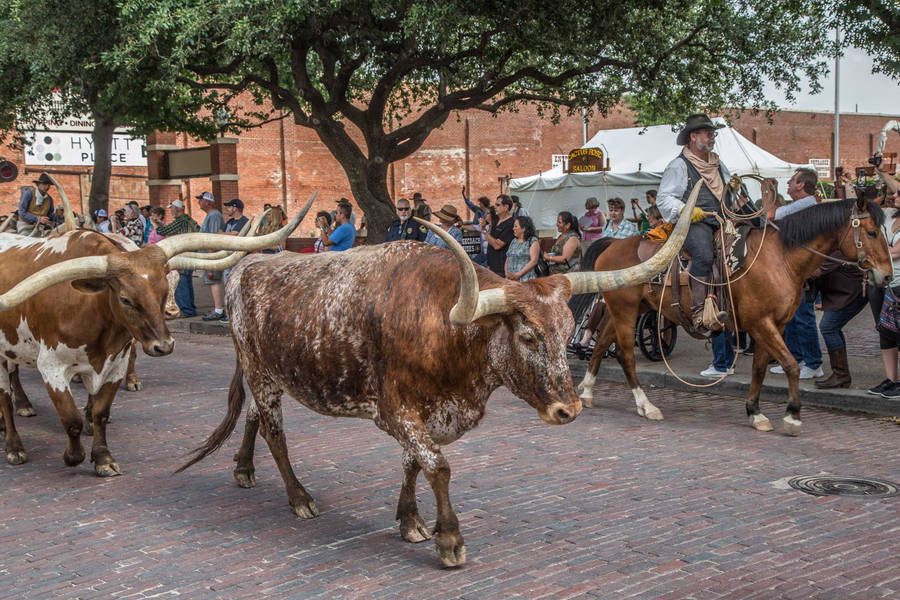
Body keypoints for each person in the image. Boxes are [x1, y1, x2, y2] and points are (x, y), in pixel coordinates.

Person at [656, 114, 736, 334]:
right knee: (703, 254)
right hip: (695, 222)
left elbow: (727, 192)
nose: (712, 137)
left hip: (723, 220)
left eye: (713, 134)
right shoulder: (678, 165)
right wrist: (687, 210)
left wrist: (735, 192)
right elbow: (664, 198)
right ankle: (700, 312)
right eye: (708, 134)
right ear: (693, 137)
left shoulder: (718, 163)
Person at [767, 169, 825, 380]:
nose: (789, 184)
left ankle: (813, 363)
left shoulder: (806, 203)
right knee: (791, 317)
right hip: (793, 269)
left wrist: (769, 192)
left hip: (801, 270)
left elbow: (770, 215)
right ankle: (796, 358)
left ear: (801, 185)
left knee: (803, 317)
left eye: (792, 180)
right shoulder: (803, 204)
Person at [866, 158, 900, 398]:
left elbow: (895, 252)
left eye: (898, 194)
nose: (894, 196)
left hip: (899, 284)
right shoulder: (888, 215)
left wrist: (876, 251)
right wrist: (879, 172)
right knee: (884, 330)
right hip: (879, 282)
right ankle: (890, 380)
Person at [156, 199, 200, 317]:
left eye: (172, 208)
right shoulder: (189, 220)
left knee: (181, 282)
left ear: (176, 208)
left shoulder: (180, 221)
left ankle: (186, 310)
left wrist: (156, 224)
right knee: (188, 282)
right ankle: (190, 308)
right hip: (191, 255)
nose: (171, 211)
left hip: (182, 256)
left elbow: (163, 231)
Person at [194, 192, 227, 321]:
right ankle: (217, 308)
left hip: (211, 256)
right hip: (209, 256)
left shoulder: (214, 215)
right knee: (211, 282)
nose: (199, 202)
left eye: (201, 200)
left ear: (207, 202)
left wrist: (210, 257)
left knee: (213, 280)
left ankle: (219, 310)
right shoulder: (211, 215)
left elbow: (213, 238)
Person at [481, 194, 515, 277]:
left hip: (502, 268)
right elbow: (490, 240)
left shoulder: (511, 224)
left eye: (498, 205)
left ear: (506, 207)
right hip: (492, 266)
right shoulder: (496, 221)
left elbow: (497, 245)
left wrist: (484, 230)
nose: (495, 207)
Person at [505, 215, 540, 281]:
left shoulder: (532, 241)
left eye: (516, 226)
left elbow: (534, 261)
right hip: (511, 279)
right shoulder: (514, 241)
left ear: (524, 228)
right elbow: (508, 258)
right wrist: (506, 273)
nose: (513, 228)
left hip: (526, 279)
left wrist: (519, 274)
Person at [461, 189, 491, 266]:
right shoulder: (478, 210)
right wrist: (463, 194)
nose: (479, 204)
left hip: (483, 234)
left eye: (480, 203)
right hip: (476, 231)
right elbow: (470, 204)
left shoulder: (489, 213)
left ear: (483, 203)